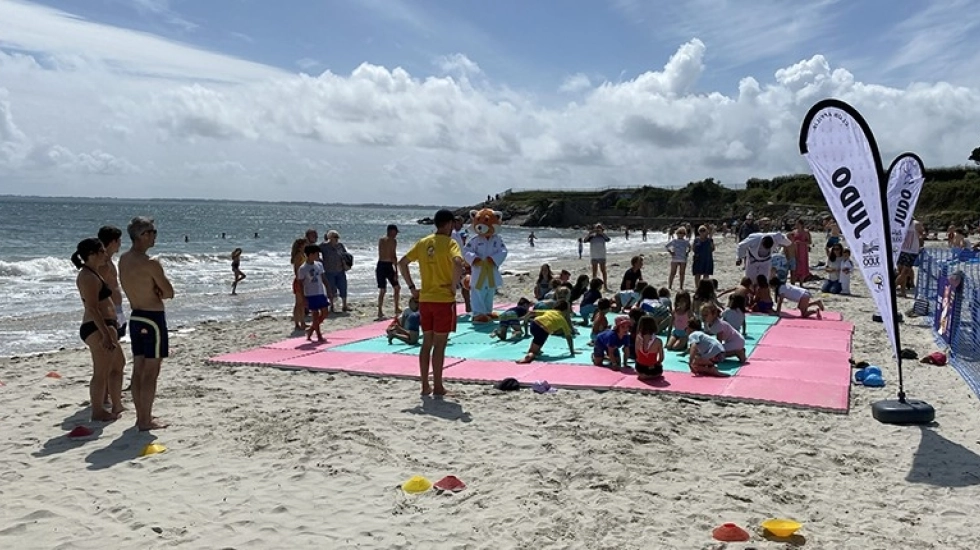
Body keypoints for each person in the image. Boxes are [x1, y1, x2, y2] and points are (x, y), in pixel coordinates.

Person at [398, 209, 465, 396]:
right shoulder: (450, 243)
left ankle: (424, 386)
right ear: (449, 224)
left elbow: (402, 263)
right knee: (440, 344)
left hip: (425, 299)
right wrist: (453, 286)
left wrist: (412, 287)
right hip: (443, 300)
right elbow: (458, 263)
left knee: (426, 342)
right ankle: (438, 386)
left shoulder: (423, 242)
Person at [119, 216, 174, 431]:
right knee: (151, 371)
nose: (155, 236)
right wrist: (158, 290)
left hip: (136, 315)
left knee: (138, 368)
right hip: (152, 317)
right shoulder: (150, 263)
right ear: (143, 235)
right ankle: (145, 419)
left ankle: (141, 416)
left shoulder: (124, 259)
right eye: (152, 232)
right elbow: (169, 292)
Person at [73, 238, 125, 421]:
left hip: (105, 325)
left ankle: (117, 404)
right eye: (102, 251)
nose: (105, 254)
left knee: (118, 364)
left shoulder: (94, 273)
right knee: (101, 371)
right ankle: (97, 410)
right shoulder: (87, 276)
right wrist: (105, 334)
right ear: (92, 254)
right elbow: (92, 308)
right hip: (96, 327)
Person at [96, 226, 127, 340]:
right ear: (113, 241)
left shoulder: (108, 261)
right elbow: (98, 291)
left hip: (116, 308)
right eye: (119, 240)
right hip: (109, 311)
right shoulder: (103, 264)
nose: (120, 244)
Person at [297, 245, 329, 342]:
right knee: (315, 315)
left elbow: (323, 278)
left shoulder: (319, 265)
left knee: (324, 313)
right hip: (310, 294)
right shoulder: (303, 268)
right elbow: (300, 284)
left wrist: (329, 289)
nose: (318, 256)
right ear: (310, 255)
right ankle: (319, 335)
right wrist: (303, 298)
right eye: (316, 254)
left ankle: (311, 329)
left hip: (320, 292)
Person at [320, 231, 351, 312]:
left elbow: (345, 255)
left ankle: (344, 305)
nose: (337, 239)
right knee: (331, 289)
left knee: (343, 287)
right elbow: (315, 252)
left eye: (337, 237)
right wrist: (320, 261)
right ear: (329, 237)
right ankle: (332, 306)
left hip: (340, 270)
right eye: (335, 237)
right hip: (329, 271)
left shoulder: (340, 245)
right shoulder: (324, 246)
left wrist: (347, 264)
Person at [376, 224, 402, 320]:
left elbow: (392, 255)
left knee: (396, 288)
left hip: (386, 265)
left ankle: (395, 308)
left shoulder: (388, 241)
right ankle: (381, 310)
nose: (396, 235)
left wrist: (396, 271)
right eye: (395, 232)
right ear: (391, 231)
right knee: (384, 289)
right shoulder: (386, 240)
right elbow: (391, 255)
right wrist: (396, 269)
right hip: (383, 265)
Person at [896, 218, 924, 297]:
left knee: (904, 273)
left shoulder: (916, 224)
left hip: (912, 251)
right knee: (901, 272)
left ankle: (892, 288)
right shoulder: (901, 222)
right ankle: (903, 292)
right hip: (902, 250)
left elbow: (922, 235)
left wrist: (920, 246)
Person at [633, 316, 664, 380]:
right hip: (652, 369)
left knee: (640, 362)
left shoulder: (638, 338)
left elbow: (637, 353)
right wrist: (655, 364)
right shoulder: (658, 341)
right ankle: (650, 374)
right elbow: (661, 358)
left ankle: (644, 375)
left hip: (640, 368)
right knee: (658, 368)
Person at [583, 224, 611, 289]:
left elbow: (608, 239)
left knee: (603, 271)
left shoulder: (603, 236)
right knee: (594, 271)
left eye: (599, 228)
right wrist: (590, 233)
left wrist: (602, 233)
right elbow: (584, 240)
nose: (598, 230)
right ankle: (594, 285)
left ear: (602, 229)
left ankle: (605, 285)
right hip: (594, 256)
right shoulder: (592, 237)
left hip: (602, 256)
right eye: (596, 228)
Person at [290, 238, 309, 331]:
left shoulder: (303, 255)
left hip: (303, 280)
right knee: (299, 303)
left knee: (301, 304)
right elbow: (297, 270)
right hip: (299, 281)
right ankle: (297, 323)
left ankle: (302, 322)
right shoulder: (298, 256)